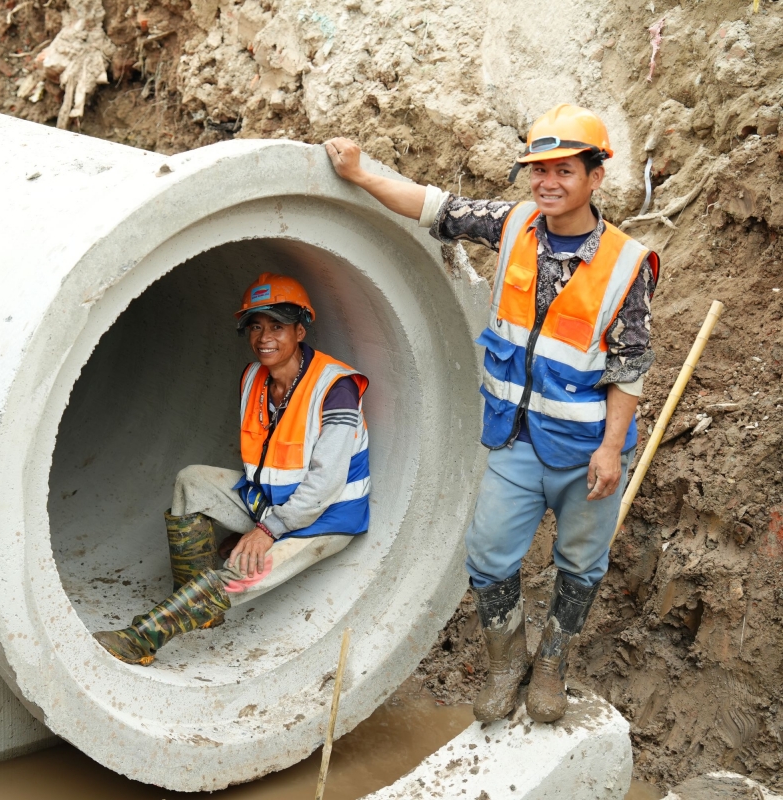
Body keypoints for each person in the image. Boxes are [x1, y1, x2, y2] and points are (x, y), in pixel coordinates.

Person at [324, 103, 659, 724]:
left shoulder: (625, 263)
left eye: (563, 170)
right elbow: (435, 207)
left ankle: (553, 662)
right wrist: (363, 174)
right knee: (487, 555)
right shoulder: (513, 226)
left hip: (588, 449)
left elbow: (630, 367)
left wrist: (612, 449)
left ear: (595, 176)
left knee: (580, 564)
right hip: (516, 440)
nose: (548, 183)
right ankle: (508, 661)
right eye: (538, 170)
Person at [94, 273, 371, 666]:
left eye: (277, 325)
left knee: (241, 571)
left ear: (300, 329)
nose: (264, 337)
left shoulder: (335, 387)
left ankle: (142, 638)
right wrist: (259, 519)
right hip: (270, 503)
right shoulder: (254, 376)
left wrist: (266, 532)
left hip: (323, 517)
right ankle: (199, 605)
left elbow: (326, 484)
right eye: (255, 326)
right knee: (192, 480)